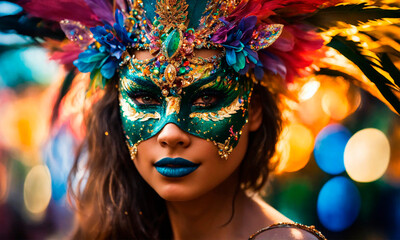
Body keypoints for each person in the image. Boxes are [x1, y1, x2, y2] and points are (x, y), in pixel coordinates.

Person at [8, 0, 400, 239]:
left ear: (255, 112)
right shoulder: (116, 226)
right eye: (144, 98)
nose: (172, 132)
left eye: (207, 97)